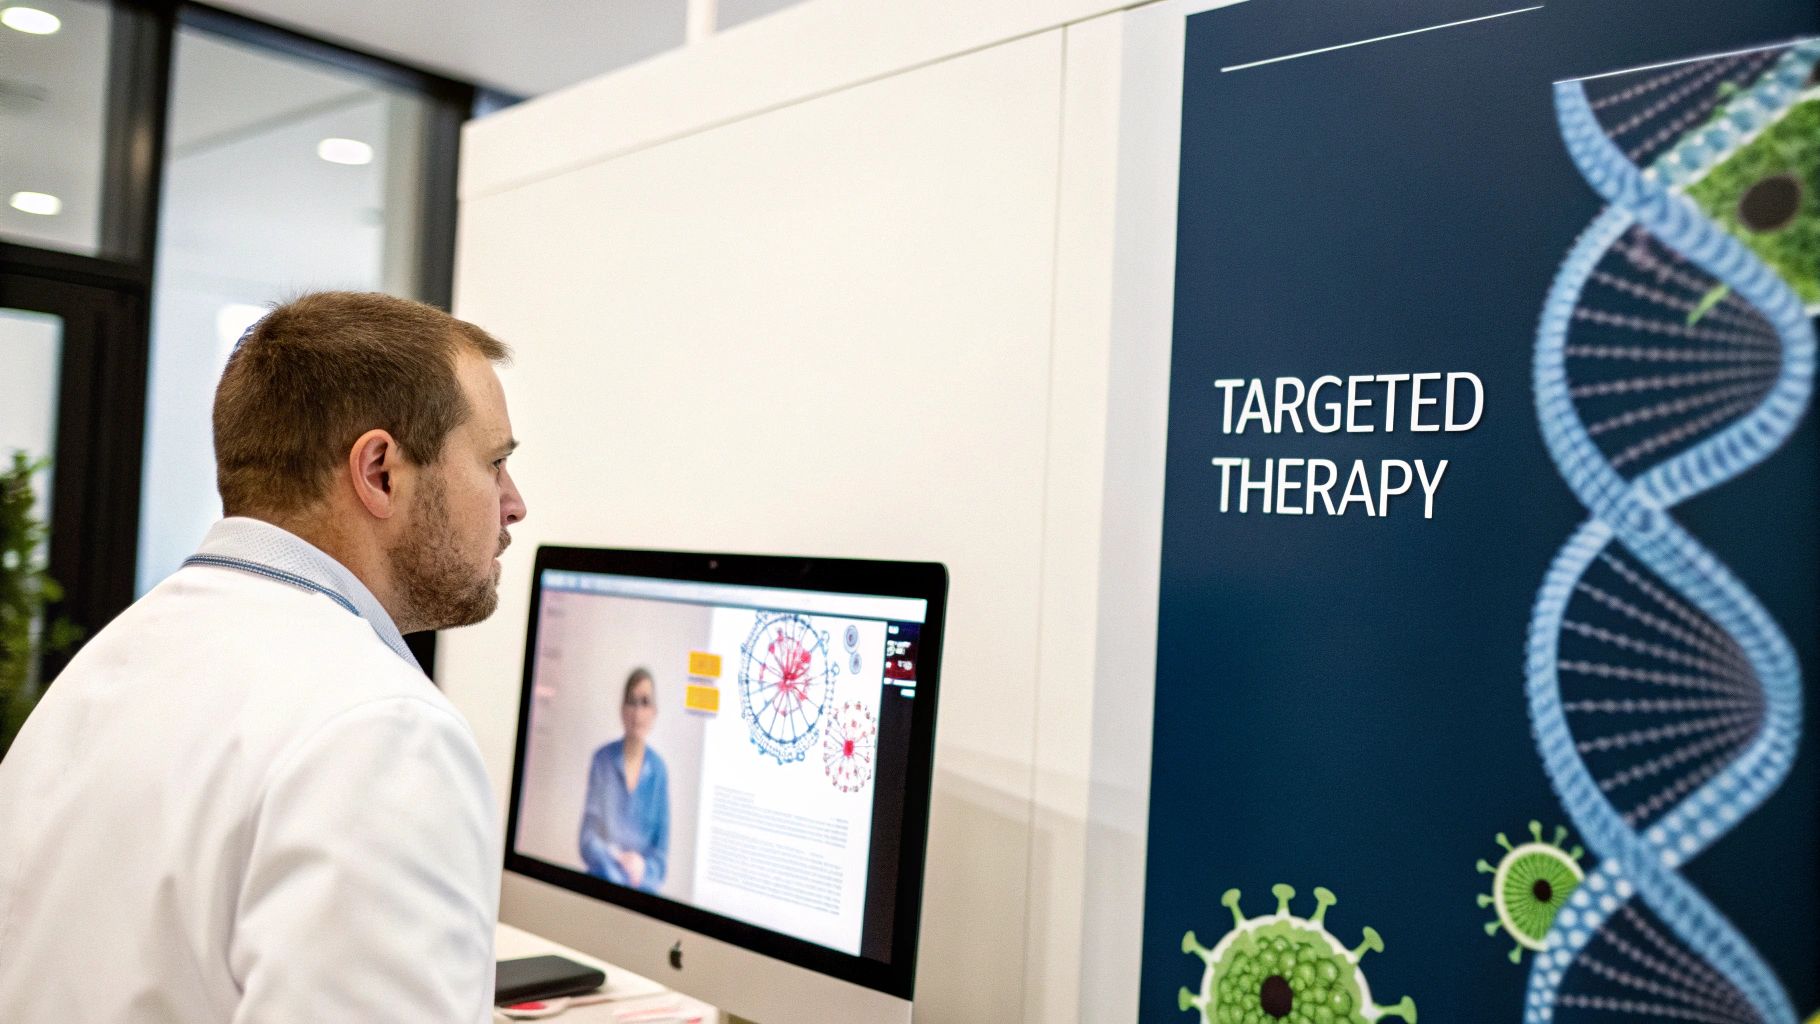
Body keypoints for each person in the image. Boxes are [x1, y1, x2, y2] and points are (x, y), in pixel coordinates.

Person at [0, 292, 527, 1023]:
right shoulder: (378, 730)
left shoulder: (111, 662)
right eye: (495, 462)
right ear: (379, 472)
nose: (514, 504)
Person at [579, 667, 670, 893]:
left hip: (641, 892)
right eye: (631, 702)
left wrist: (642, 868)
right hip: (600, 884)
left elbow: (661, 858)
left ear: (654, 712)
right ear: (622, 709)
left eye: (645, 702)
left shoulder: (659, 771)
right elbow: (587, 839)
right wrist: (616, 857)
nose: (637, 712)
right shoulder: (602, 760)